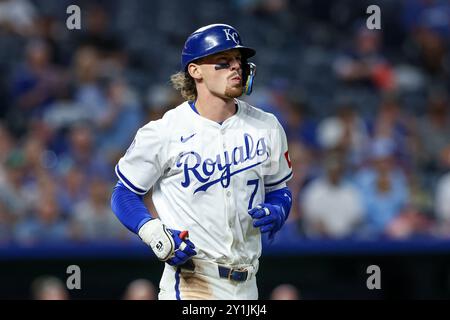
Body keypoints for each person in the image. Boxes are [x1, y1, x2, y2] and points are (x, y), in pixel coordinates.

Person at [111, 24, 293, 300]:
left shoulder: (266, 126)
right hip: (191, 281)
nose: (236, 68)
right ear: (195, 71)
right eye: (223, 62)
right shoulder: (164, 131)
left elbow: (280, 189)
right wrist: (153, 232)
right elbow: (123, 193)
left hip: (248, 284)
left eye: (238, 61)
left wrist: (279, 208)